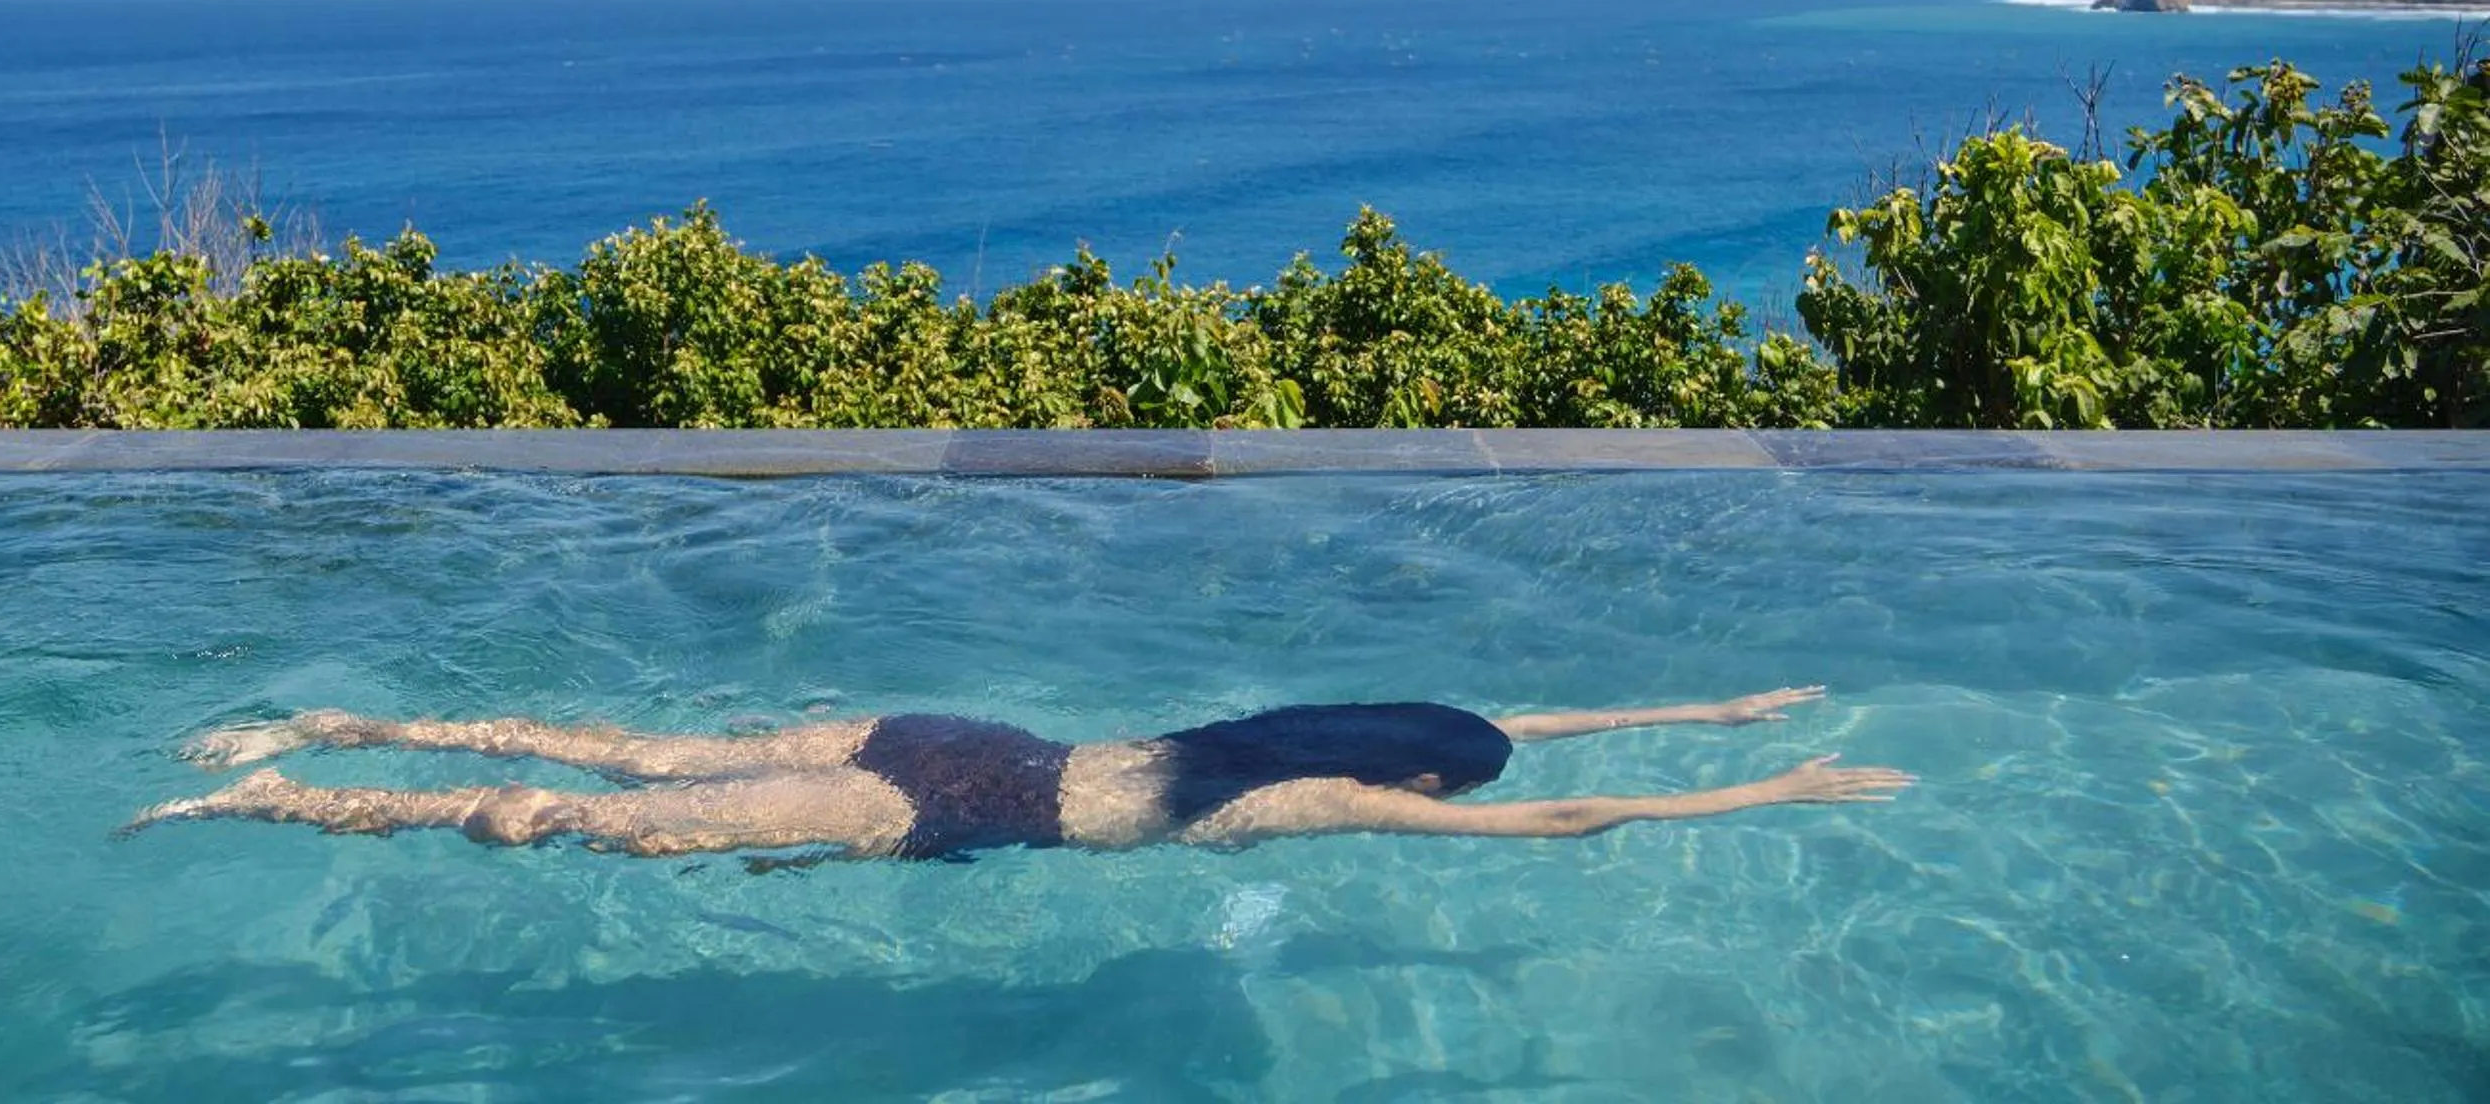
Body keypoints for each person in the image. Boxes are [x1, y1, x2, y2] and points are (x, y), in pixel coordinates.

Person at [124, 684, 1911, 862]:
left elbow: (1530, 724)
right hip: (947, 806)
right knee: (594, 825)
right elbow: (1561, 807)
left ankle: (319, 721)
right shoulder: (1324, 802)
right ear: (1413, 786)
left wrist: (1726, 706)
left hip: (949, 730)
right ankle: (273, 804)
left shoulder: (1272, 739)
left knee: (620, 749)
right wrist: (1751, 792)